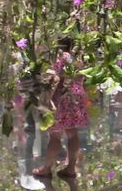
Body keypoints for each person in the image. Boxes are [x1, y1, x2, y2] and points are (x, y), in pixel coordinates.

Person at [34, 37, 89, 178]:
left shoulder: (62, 58)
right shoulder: (79, 59)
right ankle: (71, 168)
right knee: (72, 133)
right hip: (76, 95)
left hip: (62, 96)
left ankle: (46, 168)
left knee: (55, 135)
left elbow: (53, 76)